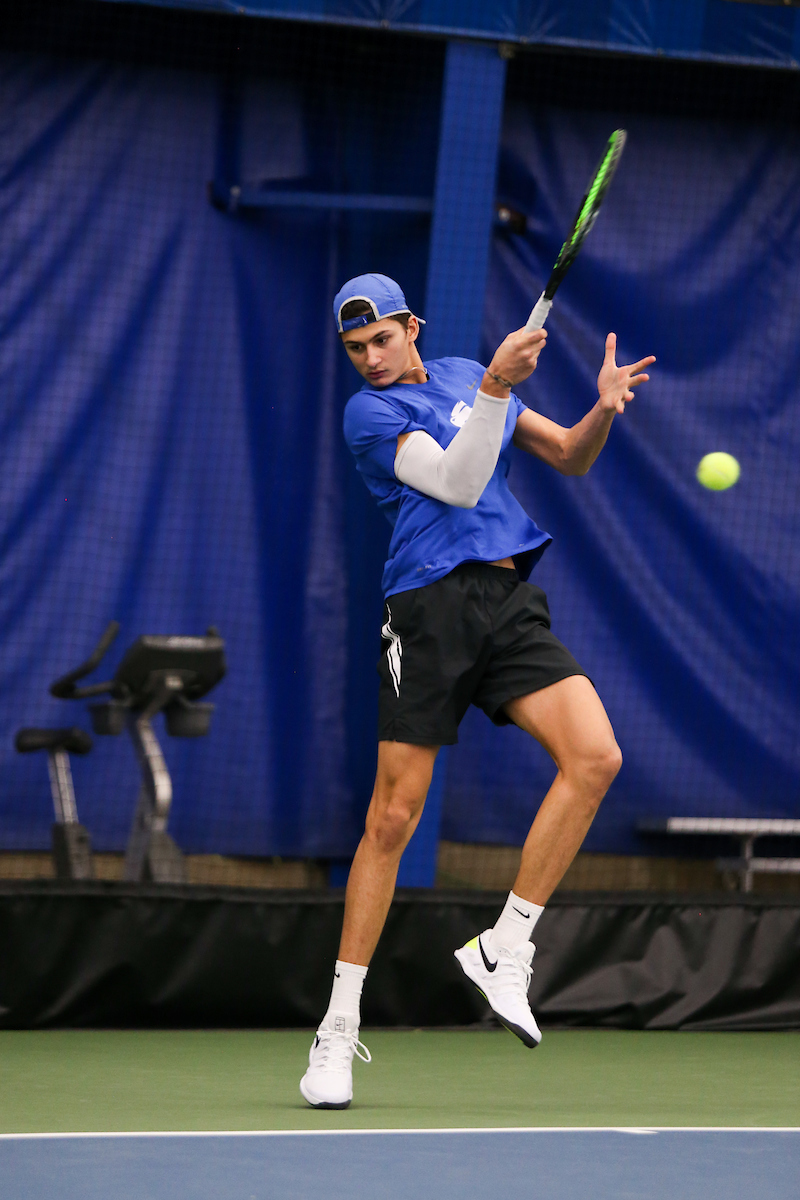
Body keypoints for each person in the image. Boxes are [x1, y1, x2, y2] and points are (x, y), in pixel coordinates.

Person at [300, 273, 655, 1109]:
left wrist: (600, 409)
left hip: (506, 601)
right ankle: (338, 1026)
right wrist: (497, 385)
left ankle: (507, 946)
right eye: (356, 350)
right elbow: (457, 483)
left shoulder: (459, 372)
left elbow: (566, 454)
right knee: (394, 815)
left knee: (595, 757)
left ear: (410, 327)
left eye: (381, 340)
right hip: (427, 607)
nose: (371, 360)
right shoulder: (370, 415)